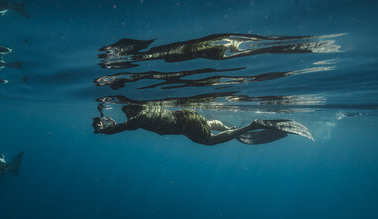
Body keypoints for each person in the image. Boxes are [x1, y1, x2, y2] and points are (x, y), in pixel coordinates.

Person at [93, 97, 313, 145]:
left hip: (185, 125)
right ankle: (230, 128)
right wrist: (105, 125)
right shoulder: (145, 110)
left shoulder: (136, 120)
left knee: (209, 141)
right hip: (187, 115)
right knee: (207, 125)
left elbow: (118, 129)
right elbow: (119, 126)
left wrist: (103, 131)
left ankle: (252, 125)